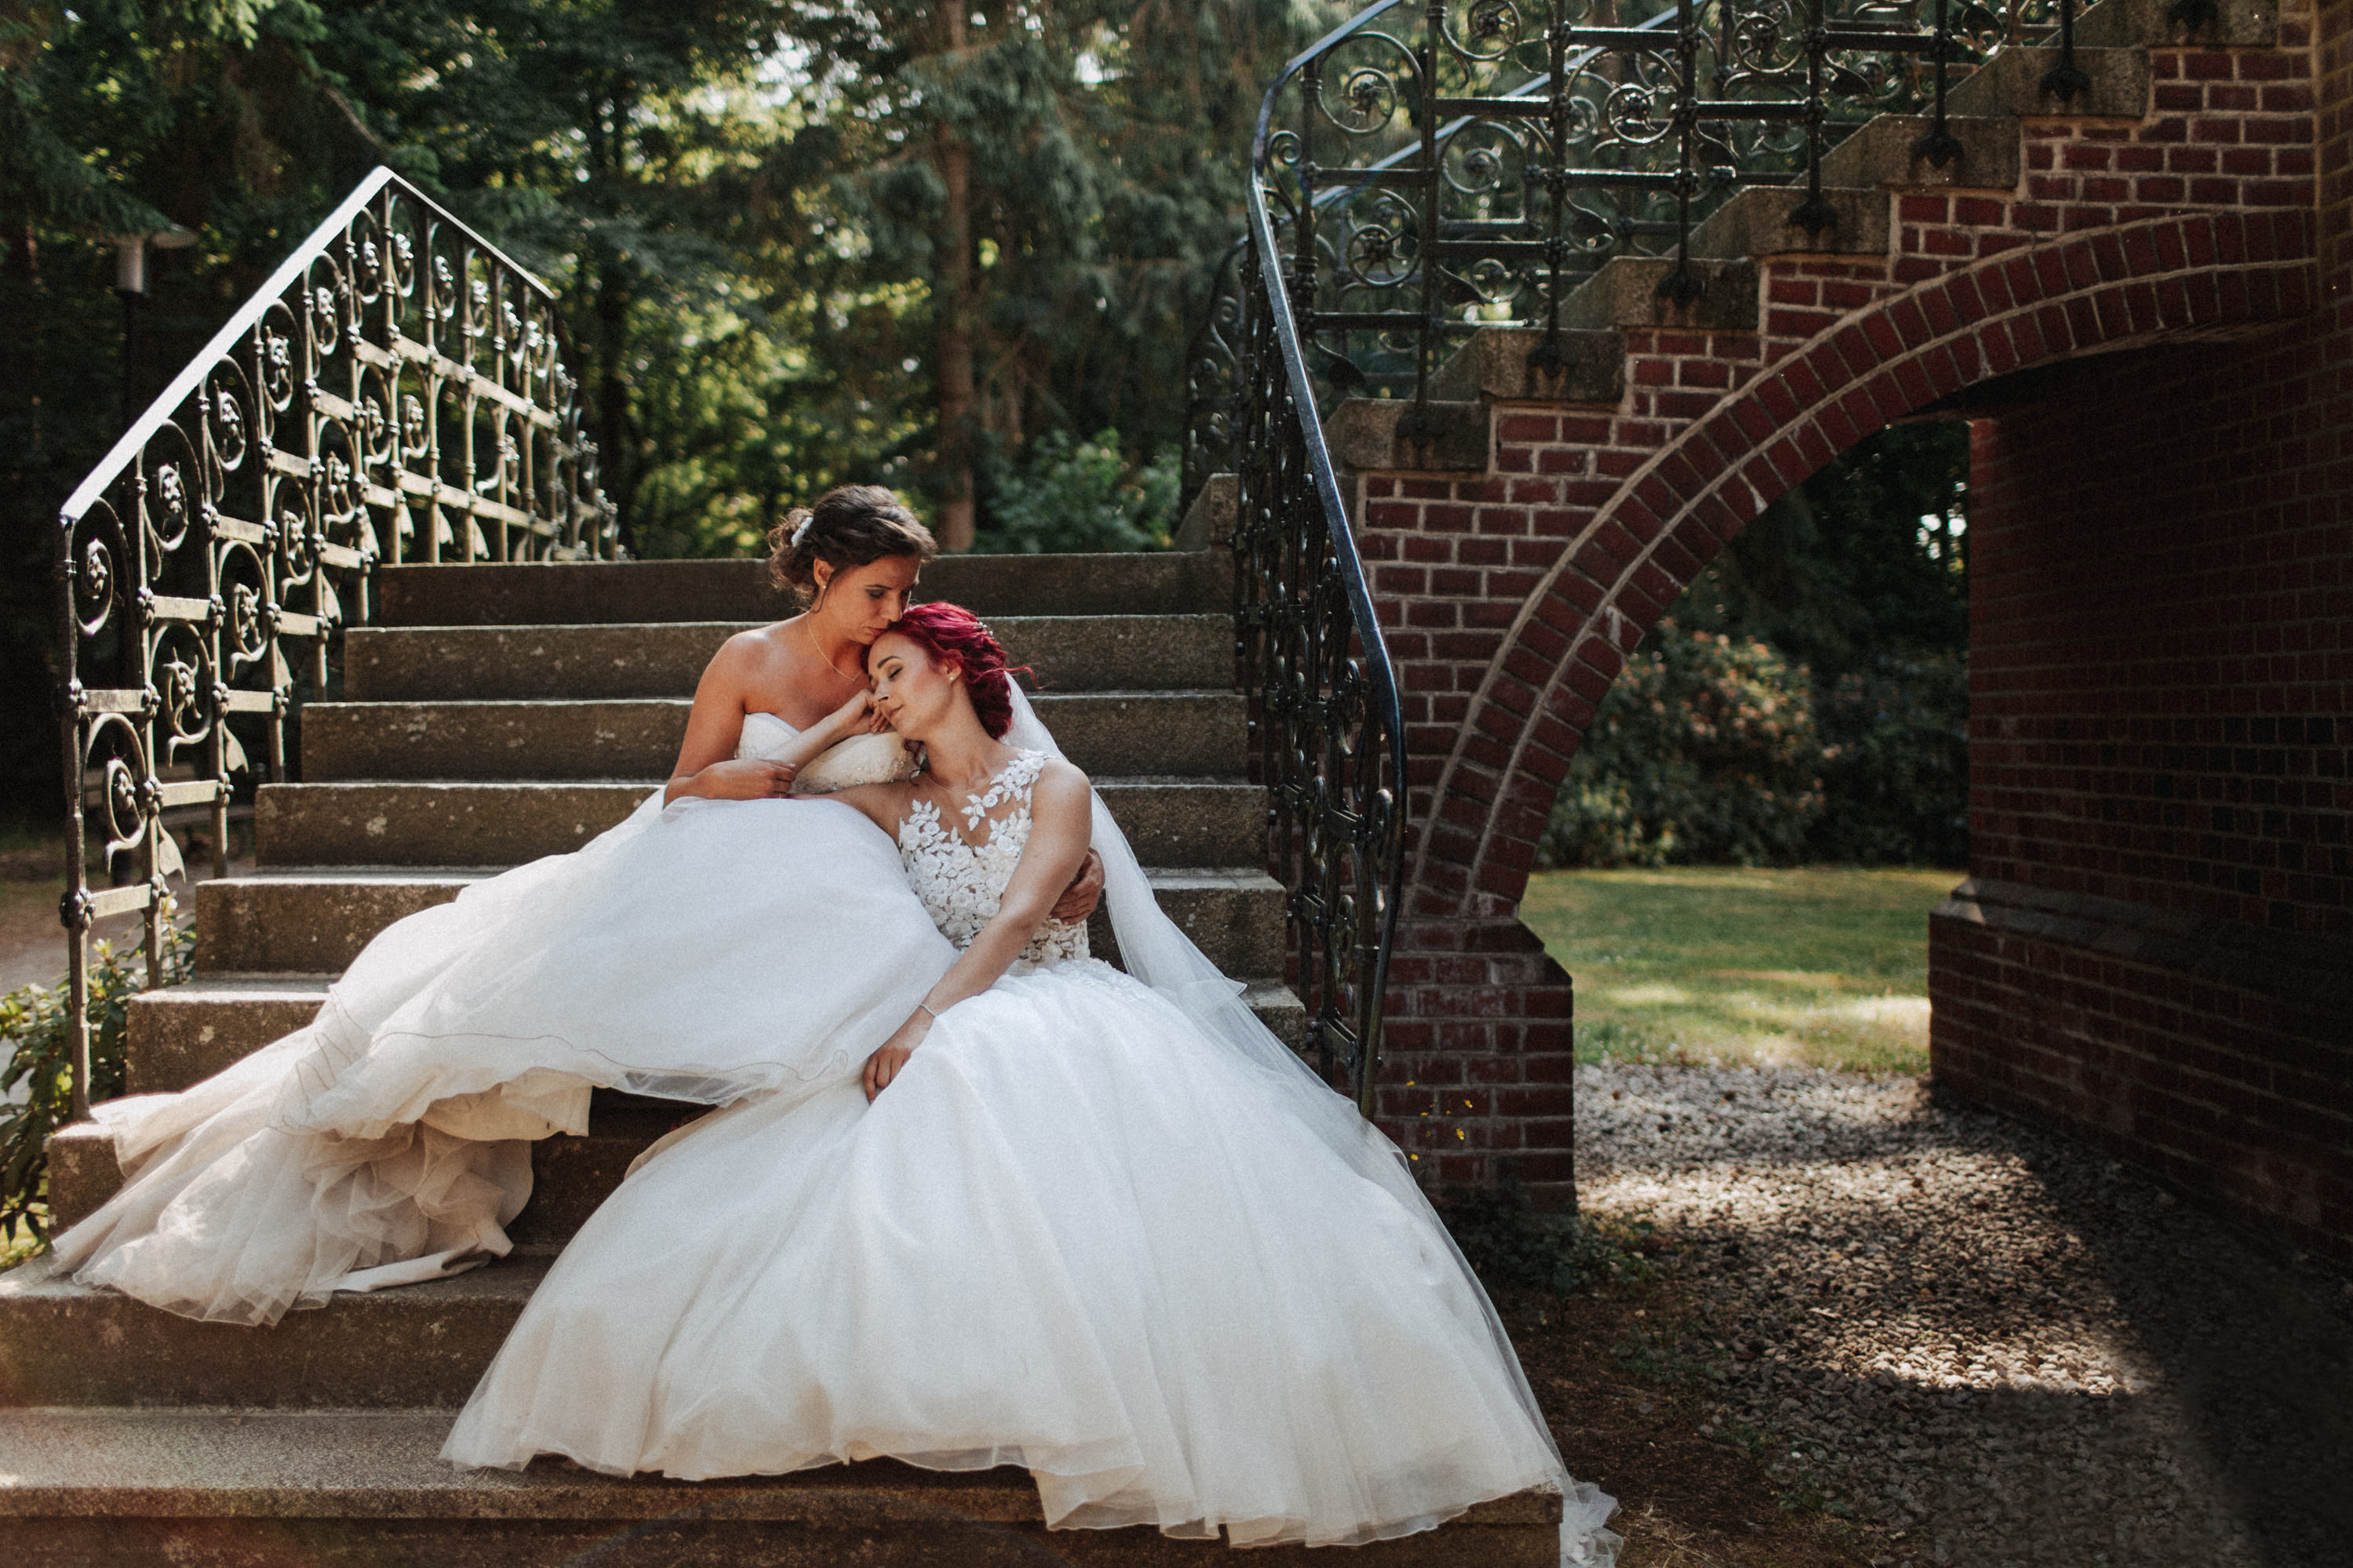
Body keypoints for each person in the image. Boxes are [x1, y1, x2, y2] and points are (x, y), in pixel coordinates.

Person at [442, 605, 1623, 1564]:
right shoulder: (892, 798)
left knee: (989, 1114)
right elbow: (765, 798)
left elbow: (1015, 919)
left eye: (898, 672)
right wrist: (832, 726)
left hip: (1049, 1010)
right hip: (953, 1011)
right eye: (875, 683)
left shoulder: (1054, 786)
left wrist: (919, 1018)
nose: (885, 695)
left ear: (958, 667)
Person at [31, 486, 1098, 1326]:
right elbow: (689, 788)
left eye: (905, 593)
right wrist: (815, 746)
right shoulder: (749, 658)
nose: (893, 612)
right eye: (876, 590)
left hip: (843, 854)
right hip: (728, 826)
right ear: (823, 574)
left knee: (837, 882)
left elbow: (973, 771)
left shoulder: (905, 660)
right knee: (743, 874)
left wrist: (1067, 871)